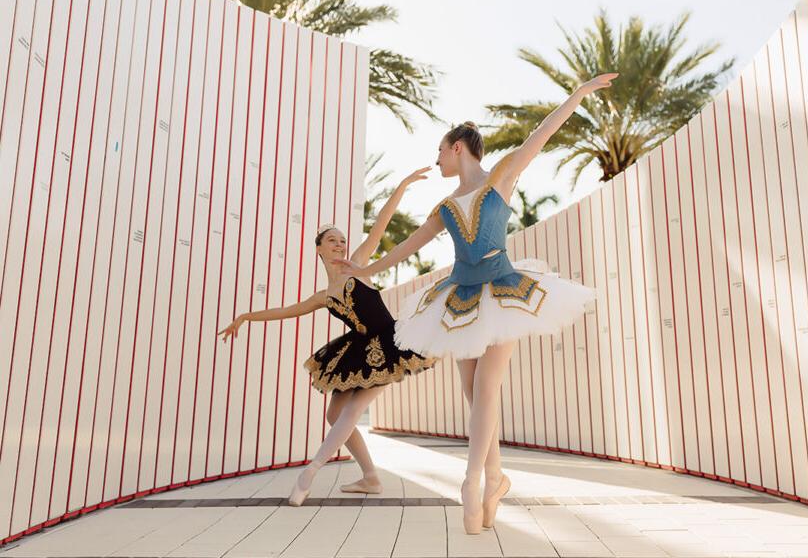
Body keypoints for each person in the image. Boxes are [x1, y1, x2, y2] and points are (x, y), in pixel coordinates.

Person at [338, 73, 618, 533]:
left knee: (485, 389)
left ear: (457, 148)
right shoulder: (444, 207)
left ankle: (470, 482)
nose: (437, 160)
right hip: (462, 298)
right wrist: (364, 271)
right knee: (475, 395)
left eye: (440, 151)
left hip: (503, 289)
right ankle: (494, 478)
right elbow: (407, 246)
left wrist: (580, 94)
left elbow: (541, 134)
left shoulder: (502, 175)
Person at [218, 166, 437, 506]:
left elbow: (380, 223)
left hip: (389, 343)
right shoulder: (324, 295)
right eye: (332, 240)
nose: (339, 244)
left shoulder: (359, 264)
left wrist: (403, 185)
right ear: (319, 249)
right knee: (334, 415)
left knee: (350, 412)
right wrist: (245, 317)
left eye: (342, 239)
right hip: (360, 348)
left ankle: (312, 470)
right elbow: (285, 311)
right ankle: (371, 477)